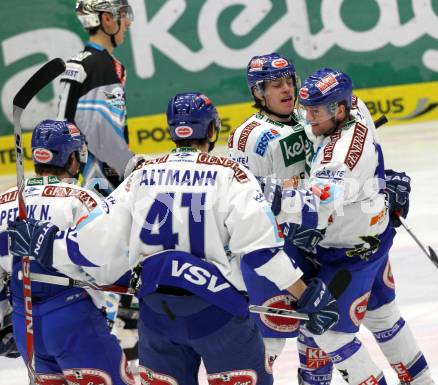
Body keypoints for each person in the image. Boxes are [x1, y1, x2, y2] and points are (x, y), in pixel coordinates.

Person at [8, 92, 340, 385]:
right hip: (219, 318)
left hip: (157, 319)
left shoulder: (141, 176)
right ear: (212, 130)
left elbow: (93, 246)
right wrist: (305, 293)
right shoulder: (231, 175)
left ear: (172, 131)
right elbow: (261, 253)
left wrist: (43, 241)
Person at [294, 68, 434, 385]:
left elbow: (309, 210)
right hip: (375, 236)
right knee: (384, 317)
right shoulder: (357, 105)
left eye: (315, 112)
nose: (308, 118)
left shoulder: (338, 157)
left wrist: (261, 195)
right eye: (307, 109)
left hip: (348, 255)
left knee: (328, 334)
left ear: (338, 110)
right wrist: (382, 182)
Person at [0, 119, 134, 384]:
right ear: (73, 157)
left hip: (24, 322)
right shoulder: (81, 199)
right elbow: (108, 267)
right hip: (74, 318)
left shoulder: (4, 201)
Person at [228, 52, 322, 363]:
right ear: (258, 92)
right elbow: (240, 200)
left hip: (311, 241)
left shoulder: (305, 118)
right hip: (272, 250)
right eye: (276, 85)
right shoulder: (248, 137)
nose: (287, 90)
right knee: (270, 342)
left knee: (318, 335)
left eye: (289, 82)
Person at [58, 0, 134, 196]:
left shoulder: (81, 60)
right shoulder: (101, 66)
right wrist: (132, 165)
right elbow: (99, 131)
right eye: (123, 15)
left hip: (78, 174)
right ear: (107, 19)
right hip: (101, 182)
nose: (127, 23)